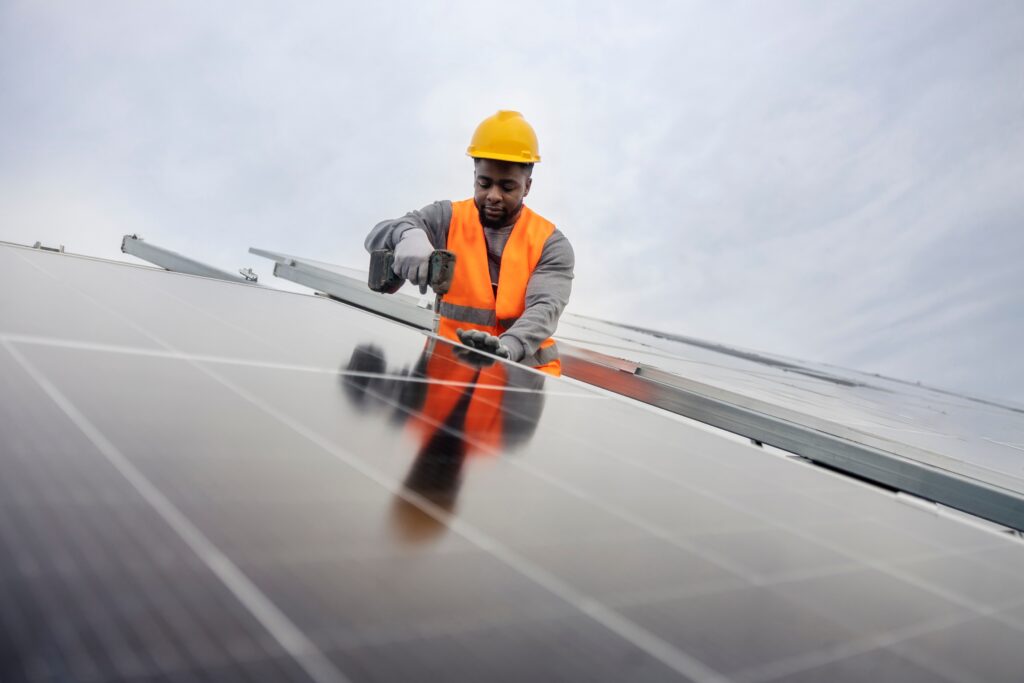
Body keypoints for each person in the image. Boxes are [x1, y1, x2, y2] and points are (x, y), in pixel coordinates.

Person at [365, 110, 574, 376]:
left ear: (527, 187)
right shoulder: (447, 218)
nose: (493, 196)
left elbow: (545, 308)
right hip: (451, 372)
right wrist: (406, 235)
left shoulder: (551, 244)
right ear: (474, 175)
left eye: (507, 187)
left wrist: (506, 348)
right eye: (483, 183)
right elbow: (376, 236)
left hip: (522, 379)